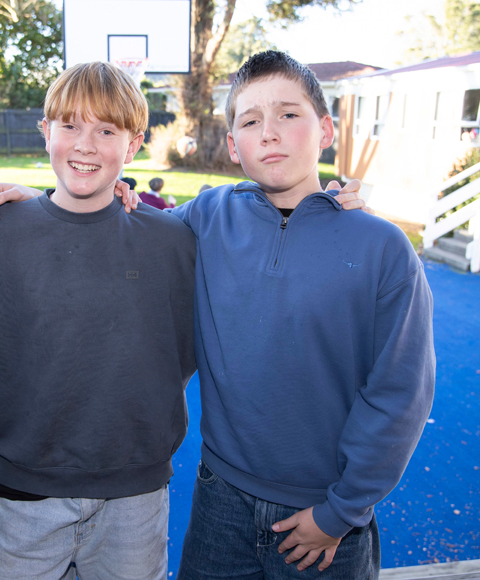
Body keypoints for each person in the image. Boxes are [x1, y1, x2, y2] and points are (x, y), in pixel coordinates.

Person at [170, 51, 435, 579]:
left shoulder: (382, 247)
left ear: (326, 130)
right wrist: (35, 204)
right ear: (232, 145)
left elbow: (400, 391)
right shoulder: (206, 215)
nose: (268, 132)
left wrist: (342, 512)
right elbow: (121, 227)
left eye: (289, 114)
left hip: (325, 513)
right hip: (219, 496)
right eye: (250, 121)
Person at [0, 61, 197, 580]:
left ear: (133, 146)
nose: (85, 144)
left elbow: (190, 347)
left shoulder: (171, 243)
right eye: (70, 126)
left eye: (106, 130)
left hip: (137, 497)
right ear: (45, 133)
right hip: (25, 498)